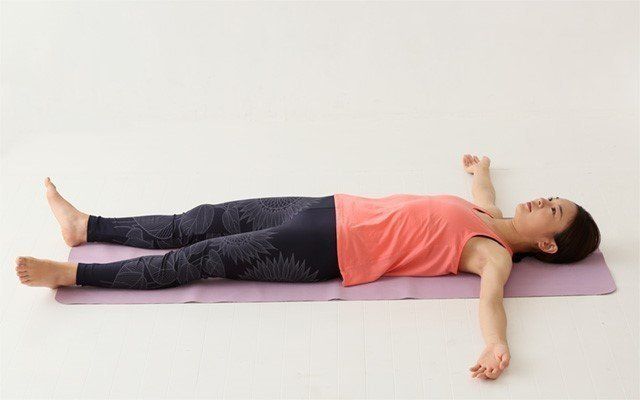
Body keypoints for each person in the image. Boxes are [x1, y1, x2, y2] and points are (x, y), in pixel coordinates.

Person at [14, 155, 601, 380]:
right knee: (205, 218)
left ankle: (72, 275)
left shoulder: (494, 254)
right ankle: (86, 228)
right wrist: (481, 169)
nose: (542, 201)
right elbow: (483, 190)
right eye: (552, 196)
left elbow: (491, 301)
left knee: (202, 258)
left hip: (327, 250)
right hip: (330, 208)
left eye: (552, 211)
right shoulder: (489, 213)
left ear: (547, 246)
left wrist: (496, 346)